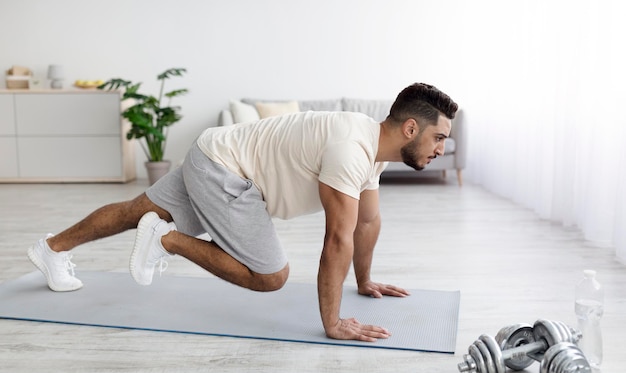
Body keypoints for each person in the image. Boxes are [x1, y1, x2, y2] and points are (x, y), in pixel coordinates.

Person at [27, 82, 458, 342]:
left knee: (134, 209)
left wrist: (362, 282)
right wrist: (333, 322)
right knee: (272, 276)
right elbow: (337, 238)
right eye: (438, 138)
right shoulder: (352, 149)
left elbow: (367, 220)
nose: (441, 149)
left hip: (211, 152)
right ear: (410, 128)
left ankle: (52, 249)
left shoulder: (370, 147)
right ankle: (165, 238)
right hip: (227, 172)